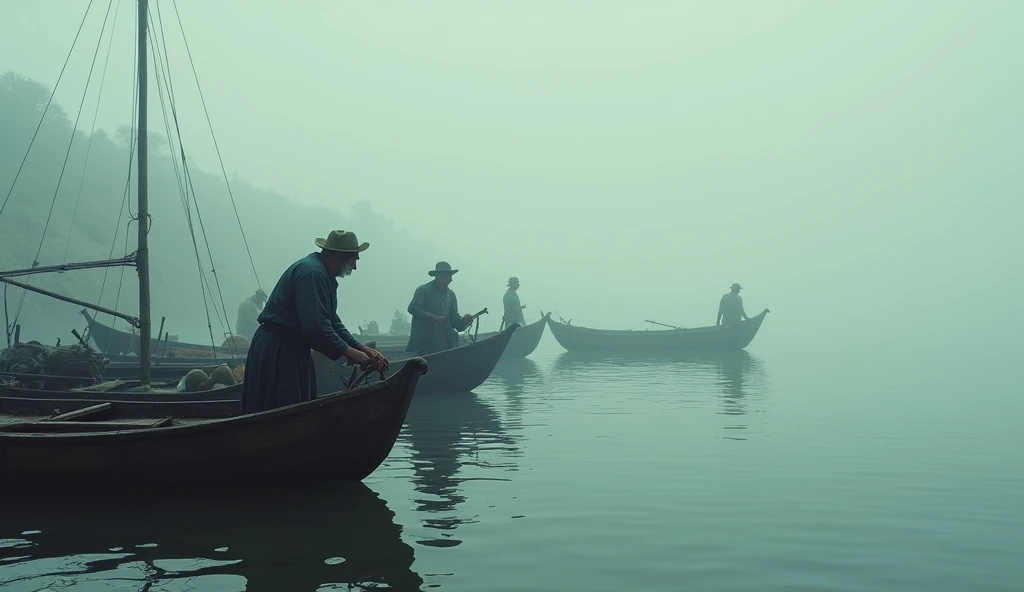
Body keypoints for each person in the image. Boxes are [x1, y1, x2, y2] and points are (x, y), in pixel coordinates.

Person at [241, 230, 389, 414]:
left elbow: (331, 320)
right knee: (281, 412)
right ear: (339, 255)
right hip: (278, 349)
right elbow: (316, 328)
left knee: (296, 408)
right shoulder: (313, 274)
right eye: (354, 259)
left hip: (292, 348)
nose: (355, 266)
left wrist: (361, 348)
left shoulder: (325, 275)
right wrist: (349, 353)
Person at [406, 261, 475, 355]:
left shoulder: (451, 295)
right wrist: (433, 317)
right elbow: (413, 308)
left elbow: (454, 319)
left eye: (451, 276)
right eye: (448, 276)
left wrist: (465, 320)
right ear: (438, 276)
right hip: (426, 344)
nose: (451, 279)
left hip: (446, 344)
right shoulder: (424, 290)